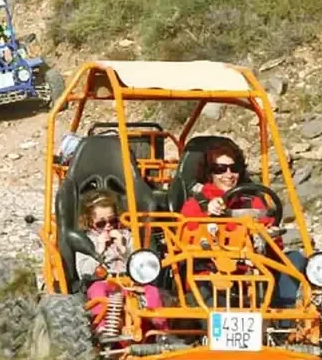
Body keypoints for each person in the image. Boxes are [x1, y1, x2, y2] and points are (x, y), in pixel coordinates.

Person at [179, 143, 307, 309]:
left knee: (295, 258)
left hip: (253, 272)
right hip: (211, 275)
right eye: (220, 169)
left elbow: (274, 249)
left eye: (234, 168)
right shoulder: (196, 205)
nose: (228, 174)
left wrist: (270, 236)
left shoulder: (253, 202)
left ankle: (284, 319)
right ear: (209, 173)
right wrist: (207, 215)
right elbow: (183, 242)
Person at [76, 189, 175, 342]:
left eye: (112, 221)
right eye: (101, 223)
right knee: (98, 292)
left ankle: (162, 332)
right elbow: (84, 271)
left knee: (152, 292)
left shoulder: (127, 236)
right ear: (90, 222)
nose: (108, 227)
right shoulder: (86, 242)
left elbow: (140, 263)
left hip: (130, 282)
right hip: (102, 281)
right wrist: (98, 251)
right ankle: (102, 328)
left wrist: (123, 249)